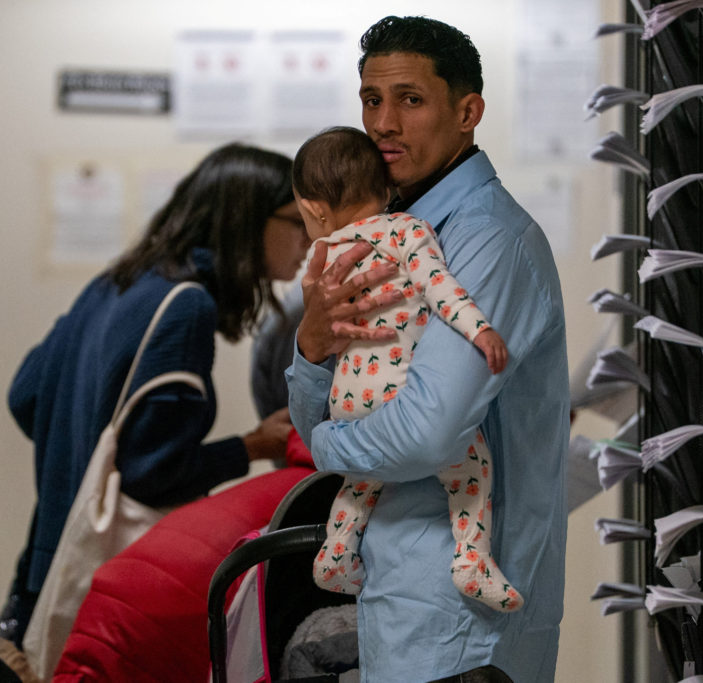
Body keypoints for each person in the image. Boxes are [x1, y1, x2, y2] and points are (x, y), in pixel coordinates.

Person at [0, 143, 398, 650]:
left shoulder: (118, 281)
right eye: (298, 219)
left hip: (47, 552)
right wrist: (253, 445)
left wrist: (76, 449)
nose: (311, 236)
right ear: (246, 220)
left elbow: (24, 396)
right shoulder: (187, 306)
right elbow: (153, 473)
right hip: (103, 568)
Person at [287, 16, 570, 683]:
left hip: (465, 629)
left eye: (410, 100)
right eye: (371, 100)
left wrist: (326, 444)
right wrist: (311, 345)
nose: (383, 123)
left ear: (467, 113)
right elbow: (326, 405)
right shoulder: (385, 234)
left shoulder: (486, 239)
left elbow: (425, 435)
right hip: (403, 605)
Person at [292, 125, 520, 613]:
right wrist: (480, 329)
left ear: (314, 210)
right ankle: (472, 559)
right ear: (387, 188)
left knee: (362, 478)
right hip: (396, 389)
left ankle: (336, 554)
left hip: (346, 398)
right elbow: (440, 288)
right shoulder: (406, 229)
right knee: (472, 469)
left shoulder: (322, 257)